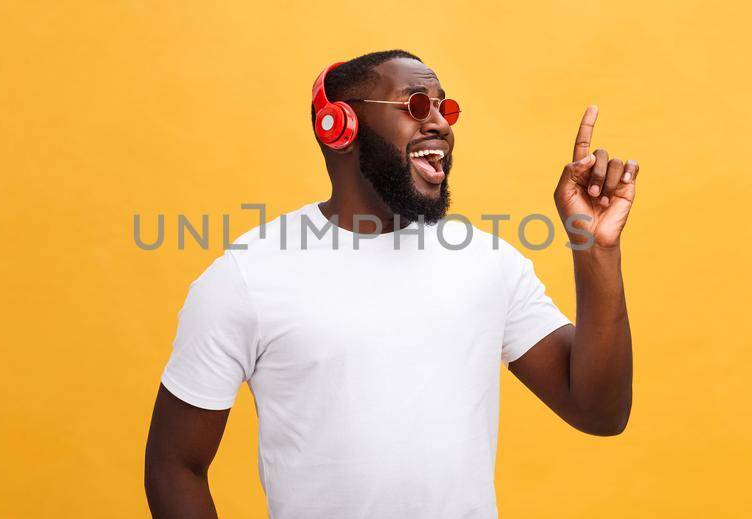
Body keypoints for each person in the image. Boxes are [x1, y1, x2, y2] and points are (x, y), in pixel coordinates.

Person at [144, 49, 641, 518]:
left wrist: (596, 250)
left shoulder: (487, 263)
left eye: (445, 107)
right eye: (416, 104)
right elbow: (174, 464)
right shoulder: (248, 276)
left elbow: (599, 411)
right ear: (338, 126)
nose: (440, 123)